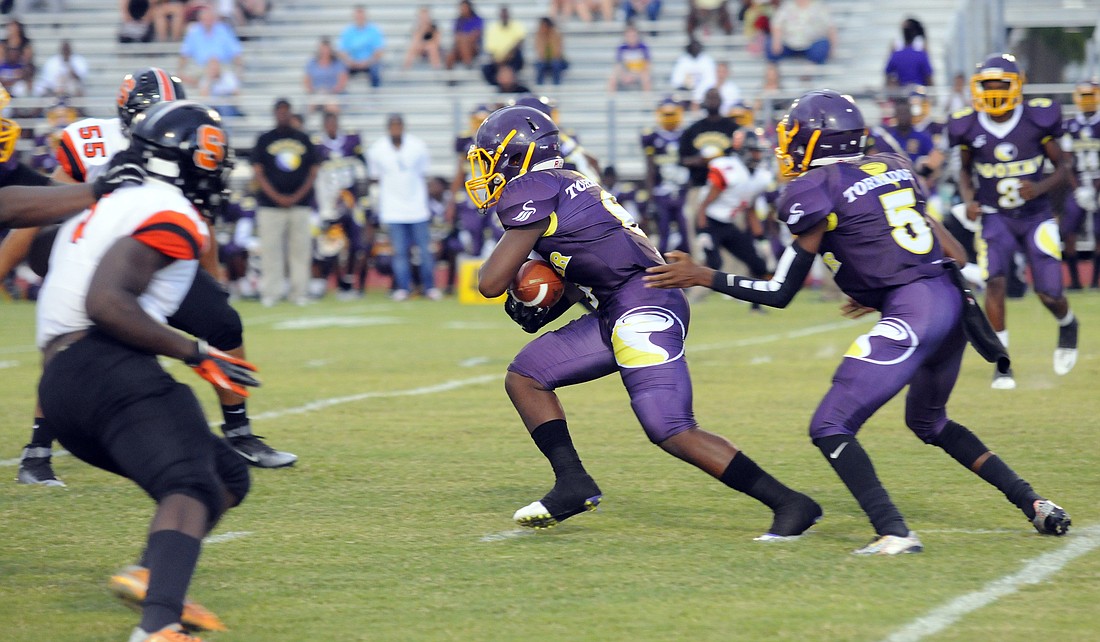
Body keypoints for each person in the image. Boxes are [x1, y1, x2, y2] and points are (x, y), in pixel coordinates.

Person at [644, 89, 1072, 554]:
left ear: (815, 141)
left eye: (793, 137)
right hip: (950, 303)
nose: (785, 147)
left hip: (918, 310)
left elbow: (779, 292)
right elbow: (956, 253)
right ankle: (1034, 502)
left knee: (830, 424)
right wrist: (890, 283)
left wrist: (702, 275)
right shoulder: (893, 166)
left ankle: (894, 531)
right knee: (930, 423)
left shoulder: (815, 190)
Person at [465, 104, 822, 538]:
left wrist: (521, 285)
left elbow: (489, 282)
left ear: (513, 153)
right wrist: (549, 299)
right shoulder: (568, 181)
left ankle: (790, 503)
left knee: (670, 428)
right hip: (621, 302)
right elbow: (587, 265)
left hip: (642, 303)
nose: (485, 169)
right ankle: (573, 482)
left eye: (487, 157)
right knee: (526, 376)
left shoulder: (534, 187)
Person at [9, 69, 296, 488]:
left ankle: (239, 433)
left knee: (222, 322)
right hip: (95, 257)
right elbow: (47, 205)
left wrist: (211, 285)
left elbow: (199, 211)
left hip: (158, 256)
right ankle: (37, 450)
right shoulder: (90, 141)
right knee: (75, 336)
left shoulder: (180, 139)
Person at [36, 100, 254, 641]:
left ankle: (150, 572)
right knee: (189, 483)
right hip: (104, 366)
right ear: (186, 160)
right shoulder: (170, 211)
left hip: (63, 382)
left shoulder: (106, 202)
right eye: (211, 160)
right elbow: (106, 302)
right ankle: (157, 627)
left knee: (225, 474)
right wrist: (194, 352)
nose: (216, 173)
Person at [948, 53, 1077, 389]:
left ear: (1016, 85)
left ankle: (1067, 322)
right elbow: (964, 168)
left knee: (1049, 293)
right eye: (986, 85)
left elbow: (1063, 168)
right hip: (995, 216)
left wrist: (1039, 187)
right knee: (995, 282)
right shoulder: (968, 124)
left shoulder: (1037, 118)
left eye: (999, 84)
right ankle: (1002, 361)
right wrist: (969, 199)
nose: (992, 91)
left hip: (1036, 215)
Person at [695, 130, 773, 312]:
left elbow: (750, 209)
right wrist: (702, 231)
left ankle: (756, 305)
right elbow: (703, 204)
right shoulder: (729, 169)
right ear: (744, 150)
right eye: (754, 150)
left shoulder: (760, 176)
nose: (758, 155)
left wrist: (760, 237)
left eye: (759, 151)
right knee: (713, 263)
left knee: (758, 264)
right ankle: (683, 292)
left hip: (728, 224)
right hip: (709, 221)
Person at [253, 97, 319, 308]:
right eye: (279, 111)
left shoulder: (303, 139)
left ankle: (300, 292)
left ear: (291, 113)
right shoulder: (264, 139)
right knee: (271, 250)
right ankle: (271, 292)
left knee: (300, 250)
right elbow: (258, 172)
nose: (283, 115)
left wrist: (296, 196)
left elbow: (313, 170)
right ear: (274, 114)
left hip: (299, 204)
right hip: (270, 205)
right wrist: (276, 196)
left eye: (286, 111)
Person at [365, 113, 438, 301]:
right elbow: (374, 177)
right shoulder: (377, 149)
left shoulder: (417, 146)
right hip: (392, 209)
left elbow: (424, 174)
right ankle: (403, 288)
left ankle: (429, 287)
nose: (396, 130)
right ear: (388, 128)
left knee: (424, 251)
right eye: (393, 126)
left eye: (399, 126)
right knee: (399, 253)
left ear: (403, 127)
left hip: (417, 207)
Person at [313, 109, 369, 299]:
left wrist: (362, 198)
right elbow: (317, 177)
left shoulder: (352, 140)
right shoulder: (318, 146)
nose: (332, 126)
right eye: (328, 123)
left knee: (357, 244)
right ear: (324, 125)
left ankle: (352, 281)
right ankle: (340, 284)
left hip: (351, 202)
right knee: (333, 245)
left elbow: (362, 169)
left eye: (334, 122)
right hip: (330, 204)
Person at [679, 87, 741, 255]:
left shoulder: (733, 128)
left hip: (727, 189)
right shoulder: (693, 130)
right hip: (700, 185)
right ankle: (699, 275)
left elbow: (741, 156)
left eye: (716, 97)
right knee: (699, 235)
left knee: (732, 234)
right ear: (703, 102)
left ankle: (732, 278)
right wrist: (700, 161)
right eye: (709, 97)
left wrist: (720, 159)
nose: (713, 100)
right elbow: (682, 159)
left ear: (721, 101)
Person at [1059, 80, 1100, 290]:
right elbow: (1066, 162)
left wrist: (1095, 188)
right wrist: (1077, 189)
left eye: (1090, 95)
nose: (1087, 100)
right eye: (1083, 96)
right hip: (1078, 185)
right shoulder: (1070, 125)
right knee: (1069, 232)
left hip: (1098, 183)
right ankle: (1075, 281)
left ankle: (1095, 282)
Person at [445, 104, 499, 260]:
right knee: (472, 233)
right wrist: (451, 201)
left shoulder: (499, 140)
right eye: (477, 120)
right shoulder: (465, 141)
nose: (479, 125)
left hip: (495, 192)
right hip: (473, 194)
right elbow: (461, 171)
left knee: (499, 233)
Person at [641, 97, 691, 255]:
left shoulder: (686, 135)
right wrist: (650, 198)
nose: (669, 118)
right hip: (661, 191)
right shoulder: (652, 137)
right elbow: (650, 168)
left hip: (682, 191)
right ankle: (661, 268)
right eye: (666, 114)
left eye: (672, 114)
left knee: (686, 233)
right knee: (664, 233)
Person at [178, 5, 243, 85]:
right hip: (200, 67)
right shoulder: (193, 32)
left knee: (231, 77)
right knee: (183, 77)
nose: (208, 21)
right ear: (200, 20)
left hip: (222, 66)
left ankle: (207, 86)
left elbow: (235, 51)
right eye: (205, 19)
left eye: (210, 19)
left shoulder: (224, 30)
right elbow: (185, 53)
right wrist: (180, 70)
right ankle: (204, 86)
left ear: (214, 19)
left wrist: (239, 69)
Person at [765, 0, 836, 66]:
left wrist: (833, 48)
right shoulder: (787, 6)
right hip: (788, 43)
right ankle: (772, 71)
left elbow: (830, 27)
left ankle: (810, 68)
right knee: (770, 44)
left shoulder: (819, 7)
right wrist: (777, 41)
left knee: (823, 46)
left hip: (811, 43)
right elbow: (776, 24)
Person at [337, 5, 386, 88]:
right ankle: (342, 93)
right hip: (352, 63)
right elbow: (342, 51)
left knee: (375, 70)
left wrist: (368, 62)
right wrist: (350, 61)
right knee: (341, 70)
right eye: (358, 16)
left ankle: (376, 95)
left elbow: (379, 51)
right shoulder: (348, 31)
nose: (360, 18)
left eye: (361, 15)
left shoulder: (374, 30)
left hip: (370, 62)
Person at [481, 5, 526, 86]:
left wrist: (507, 56)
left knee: (517, 56)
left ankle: (508, 82)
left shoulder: (516, 25)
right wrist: (498, 61)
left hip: (512, 58)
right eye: (503, 15)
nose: (504, 17)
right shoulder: (493, 28)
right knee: (486, 69)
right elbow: (490, 49)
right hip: (498, 60)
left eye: (505, 15)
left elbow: (520, 41)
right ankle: (501, 85)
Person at [885, 17, 932, 88]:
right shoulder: (921, 55)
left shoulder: (895, 55)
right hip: (918, 95)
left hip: (901, 96)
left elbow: (888, 77)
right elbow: (929, 78)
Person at [304, 37, 348, 113]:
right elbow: (307, 80)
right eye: (323, 49)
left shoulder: (337, 63)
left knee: (332, 106)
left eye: (326, 49)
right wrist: (313, 91)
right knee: (310, 106)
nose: (325, 52)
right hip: (317, 92)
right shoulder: (312, 63)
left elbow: (342, 80)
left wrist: (332, 91)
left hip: (333, 93)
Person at [607, 23, 651, 93]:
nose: (631, 38)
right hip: (626, 72)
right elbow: (618, 65)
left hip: (639, 72)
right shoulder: (622, 47)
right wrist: (624, 75)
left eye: (633, 36)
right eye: (629, 36)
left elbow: (647, 65)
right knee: (612, 77)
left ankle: (647, 100)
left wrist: (634, 75)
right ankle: (611, 100)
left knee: (645, 77)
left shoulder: (643, 47)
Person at [402, 6, 443, 70]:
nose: (424, 18)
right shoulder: (417, 27)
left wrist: (428, 43)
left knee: (431, 47)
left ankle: (437, 70)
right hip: (421, 48)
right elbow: (415, 41)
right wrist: (422, 30)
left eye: (425, 16)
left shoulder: (434, 27)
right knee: (412, 49)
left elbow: (437, 42)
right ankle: (405, 70)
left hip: (432, 48)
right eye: (422, 16)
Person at [446, 0, 483, 70]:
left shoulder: (477, 19)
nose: (462, 10)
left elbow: (475, 36)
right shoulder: (458, 21)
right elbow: (456, 37)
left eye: (464, 8)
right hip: (459, 48)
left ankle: (468, 64)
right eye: (461, 8)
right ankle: (449, 77)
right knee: (449, 56)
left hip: (474, 48)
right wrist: (464, 37)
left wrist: (463, 38)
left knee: (463, 41)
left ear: (469, 8)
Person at [533, 16, 567, 86]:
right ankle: (539, 86)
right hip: (544, 61)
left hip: (556, 60)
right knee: (540, 66)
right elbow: (540, 54)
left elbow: (557, 53)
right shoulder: (539, 36)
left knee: (556, 65)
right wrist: (543, 38)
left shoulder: (556, 35)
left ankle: (557, 86)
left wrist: (550, 37)